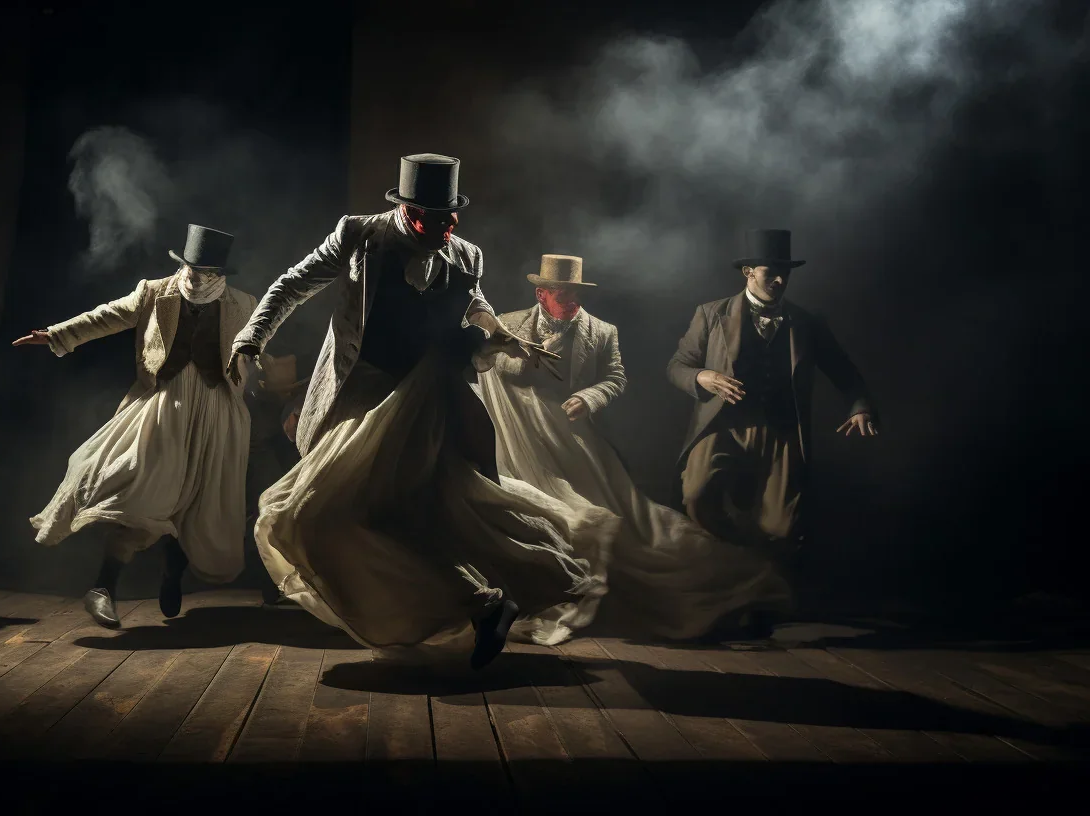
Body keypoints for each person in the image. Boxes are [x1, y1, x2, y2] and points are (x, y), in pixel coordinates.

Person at [227, 154, 608, 670]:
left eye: (451, 217)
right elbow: (293, 284)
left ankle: (489, 601)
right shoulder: (359, 235)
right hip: (362, 400)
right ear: (408, 211)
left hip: (427, 404)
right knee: (334, 514)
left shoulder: (465, 252)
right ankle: (480, 604)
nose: (446, 227)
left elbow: (473, 301)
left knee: (416, 511)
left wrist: (500, 333)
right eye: (434, 218)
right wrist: (250, 338)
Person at [478, 255, 790, 644]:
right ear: (542, 294)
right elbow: (484, 364)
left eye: (577, 294)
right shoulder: (507, 323)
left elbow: (615, 377)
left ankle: (730, 581)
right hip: (511, 435)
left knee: (623, 524)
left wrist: (590, 397)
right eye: (563, 294)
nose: (573, 302)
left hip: (568, 439)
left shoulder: (601, 331)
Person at [15, 225, 258, 627]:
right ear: (183, 265)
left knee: (198, 505)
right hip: (163, 405)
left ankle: (173, 569)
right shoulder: (154, 292)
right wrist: (57, 335)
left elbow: (258, 348)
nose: (199, 278)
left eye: (208, 272)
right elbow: (107, 316)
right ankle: (103, 586)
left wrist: (273, 384)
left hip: (216, 411)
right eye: (193, 269)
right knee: (139, 494)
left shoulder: (244, 304)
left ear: (221, 273)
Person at [667, 229, 877, 633]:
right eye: (770, 272)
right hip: (723, 426)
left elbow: (845, 372)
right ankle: (737, 565)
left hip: (781, 431)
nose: (779, 280)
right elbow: (677, 366)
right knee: (696, 496)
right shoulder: (710, 313)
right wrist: (703, 376)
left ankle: (762, 603)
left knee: (782, 528)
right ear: (748, 272)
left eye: (785, 273)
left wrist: (861, 406)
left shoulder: (806, 323)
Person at [241, 352, 307, 607]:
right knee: (260, 518)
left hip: (273, 460)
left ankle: (275, 581)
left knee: (275, 516)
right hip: (254, 461)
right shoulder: (253, 404)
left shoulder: (289, 404)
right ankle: (268, 581)